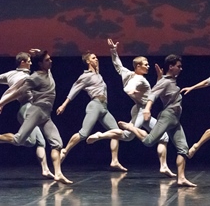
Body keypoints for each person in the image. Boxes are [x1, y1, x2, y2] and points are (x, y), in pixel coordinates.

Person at [0, 49, 72, 184]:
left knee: (57, 143)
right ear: (40, 64)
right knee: (20, 140)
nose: (51, 61)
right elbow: (19, 92)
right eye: (47, 60)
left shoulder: (48, 72)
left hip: (46, 115)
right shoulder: (34, 78)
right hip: (35, 111)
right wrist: (2, 102)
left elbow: (42, 59)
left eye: (50, 59)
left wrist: (38, 50)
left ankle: (58, 173)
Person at [0, 52, 54, 179]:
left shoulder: (11, 74)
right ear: (22, 62)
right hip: (27, 109)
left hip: (30, 109)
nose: (30, 63)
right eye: (29, 61)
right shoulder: (22, 77)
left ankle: (45, 169)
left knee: (38, 142)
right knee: (28, 141)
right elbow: (17, 91)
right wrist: (2, 102)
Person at [98, 38, 175, 177]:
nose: (148, 66)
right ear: (138, 66)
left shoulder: (129, 73)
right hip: (141, 110)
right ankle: (101, 135)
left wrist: (113, 51)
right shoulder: (139, 79)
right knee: (127, 136)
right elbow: (130, 88)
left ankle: (163, 166)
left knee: (163, 136)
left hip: (142, 110)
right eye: (145, 64)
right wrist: (131, 91)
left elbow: (118, 65)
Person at [118, 54, 197, 187]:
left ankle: (181, 178)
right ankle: (131, 127)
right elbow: (152, 95)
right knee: (149, 142)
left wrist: (160, 76)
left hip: (175, 120)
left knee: (183, 149)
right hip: (167, 116)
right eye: (178, 66)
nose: (181, 69)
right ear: (171, 67)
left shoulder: (170, 80)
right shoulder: (165, 82)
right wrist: (147, 109)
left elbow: (164, 85)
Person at [56, 50, 126, 171]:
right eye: (93, 58)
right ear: (88, 61)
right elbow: (74, 90)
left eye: (96, 57)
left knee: (116, 132)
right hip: (95, 105)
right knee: (84, 133)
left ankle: (114, 161)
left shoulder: (99, 75)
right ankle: (65, 151)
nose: (96, 59)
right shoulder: (85, 76)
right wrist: (63, 105)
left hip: (104, 107)